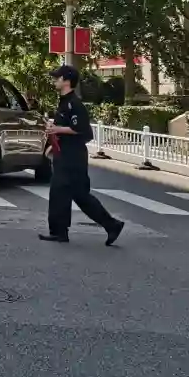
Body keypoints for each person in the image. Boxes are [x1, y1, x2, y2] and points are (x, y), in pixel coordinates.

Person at [39, 65, 124, 247]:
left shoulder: (74, 104)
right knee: (76, 195)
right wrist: (53, 143)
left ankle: (61, 232)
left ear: (67, 81)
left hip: (72, 157)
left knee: (62, 192)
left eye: (57, 77)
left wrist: (58, 129)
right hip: (66, 154)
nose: (54, 80)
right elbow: (65, 128)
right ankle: (110, 225)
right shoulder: (64, 102)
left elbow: (83, 130)